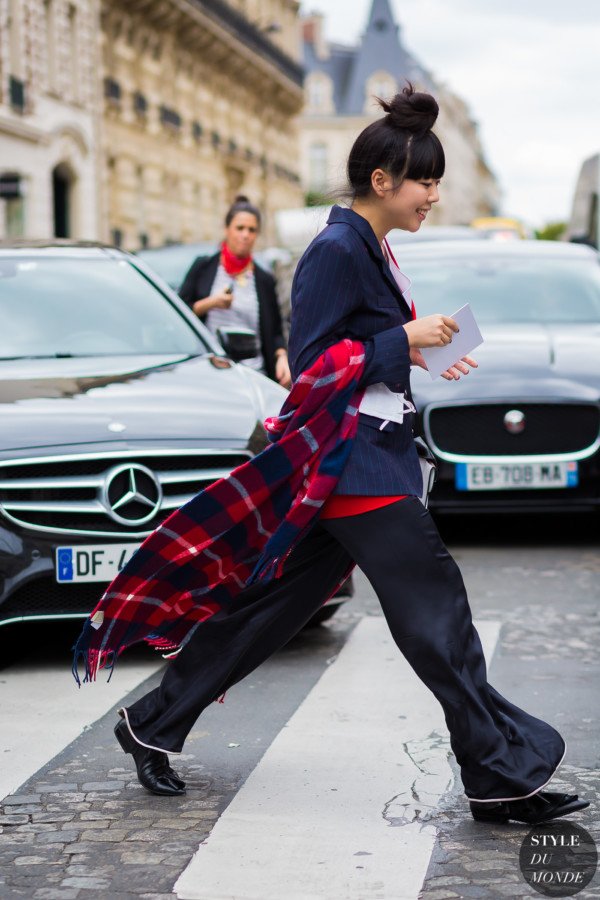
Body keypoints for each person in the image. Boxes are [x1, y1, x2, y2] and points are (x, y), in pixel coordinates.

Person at [75, 86, 589, 827]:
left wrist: (420, 351)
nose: (433, 197)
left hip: (364, 454)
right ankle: (500, 774)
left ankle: (151, 722)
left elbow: (358, 354)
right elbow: (312, 366)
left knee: (272, 607)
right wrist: (403, 342)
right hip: (350, 463)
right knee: (437, 616)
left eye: (439, 181)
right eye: (425, 181)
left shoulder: (368, 246)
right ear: (382, 181)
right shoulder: (337, 248)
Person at [179, 195, 291, 387]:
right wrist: (211, 303)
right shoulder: (203, 267)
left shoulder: (264, 279)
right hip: (210, 374)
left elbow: (275, 332)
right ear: (227, 230)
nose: (245, 235)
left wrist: (282, 356)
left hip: (253, 375)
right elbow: (178, 315)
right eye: (240, 228)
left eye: (252, 230)